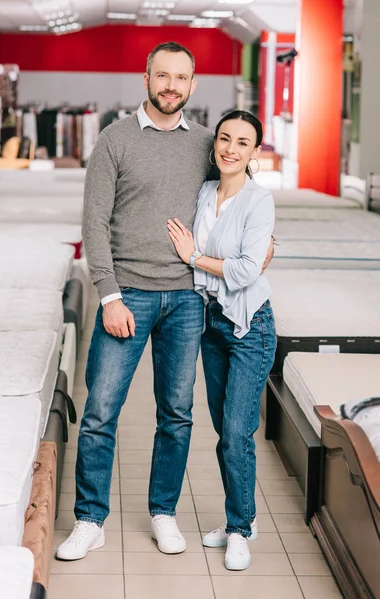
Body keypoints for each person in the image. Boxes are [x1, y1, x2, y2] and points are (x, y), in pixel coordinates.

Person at [56, 42, 274, 561]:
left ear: (193, 85)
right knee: (100, 412)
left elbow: (239, 191)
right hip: (126, 294)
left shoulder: (206, 142)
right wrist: (108, 295)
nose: (171, 85)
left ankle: (163, 513)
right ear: (146, 78)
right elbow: (94, 224)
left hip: (186, 299)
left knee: (176, 414)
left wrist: (266, 243)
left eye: (181, 77)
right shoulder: (114, 140)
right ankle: (90, 519)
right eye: (162, 75)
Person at [167, 110, 276, 571]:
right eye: (225, 139)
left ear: (254, 153)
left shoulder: (258, 200)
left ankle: (240, 528)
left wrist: (195, 257)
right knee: (224, 431)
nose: (231, 148)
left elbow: (248, 270)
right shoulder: (205, 192)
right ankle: (237, 518)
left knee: (236, 432)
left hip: (250, 327)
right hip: (212, 326)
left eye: (243, 143)